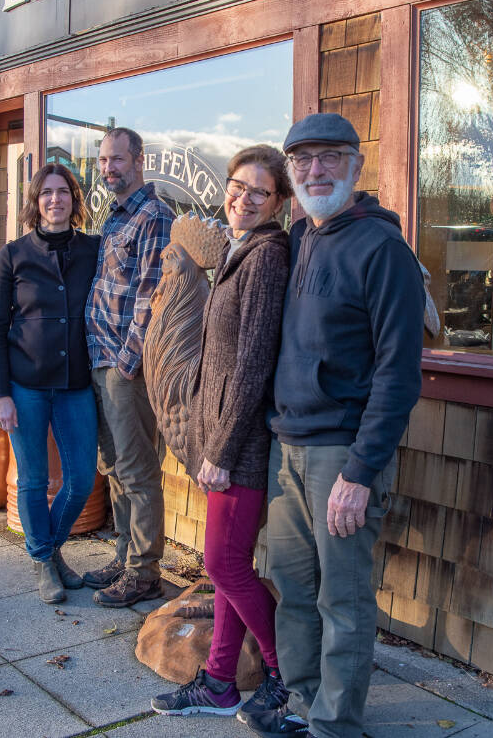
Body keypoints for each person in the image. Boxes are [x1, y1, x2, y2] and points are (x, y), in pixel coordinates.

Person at [259, 113, 425, 738]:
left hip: (341, 454)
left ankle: (337, 725)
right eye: (302, 159)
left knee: (344, 600)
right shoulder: (299, 238)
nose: (314, 169)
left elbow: (398, 375)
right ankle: (306, 703)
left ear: (356, 165)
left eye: (329, 157)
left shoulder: (383, 252)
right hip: (288, 448)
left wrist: (360, 472)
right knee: (295, 589)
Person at [151, 145, 292, 721]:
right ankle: (218, 682)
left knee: (221, 565)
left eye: (260, 191)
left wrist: (222, 450)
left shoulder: (265, 258)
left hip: (241, 446)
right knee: (231, 564)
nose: (244, 197)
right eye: (239, 185)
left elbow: (254, 363)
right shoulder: (242, 251)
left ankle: (284, 671)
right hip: (225, 442)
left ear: (278, 202)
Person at [0, 163, 99, 604]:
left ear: (74, 199)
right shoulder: (13, 255)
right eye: (46, 193)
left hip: (76, 386)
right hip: (26, 386)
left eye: (64, 191)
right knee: (33, 481)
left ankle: (48, 552)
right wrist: (1, 394)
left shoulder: (93, 249)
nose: (55, 199)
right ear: (35, 202)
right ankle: (44, 563)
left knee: (81, 480)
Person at [84, 126, 176, 607]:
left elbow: (151, 297)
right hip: (100, 362)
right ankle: (124, 558)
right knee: (115, 467)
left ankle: (144, 573)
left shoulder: (154, 216)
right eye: (102, 161)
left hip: (126, 369)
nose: (107, 169)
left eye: (116, 159)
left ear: (139, 160)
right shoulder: (115, 217)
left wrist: (126, 363)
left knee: (138, 471)